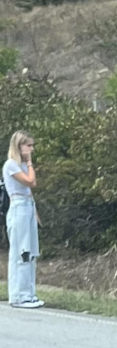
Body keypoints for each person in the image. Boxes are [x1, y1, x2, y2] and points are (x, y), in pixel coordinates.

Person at [3, 131, 43, 309]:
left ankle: (29, 292)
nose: (31, 149)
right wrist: (29, 163)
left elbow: (30, 191)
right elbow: (30, 182)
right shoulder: (11, 165)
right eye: (28, 145)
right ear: (19, 146)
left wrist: (35, 213)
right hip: (18, 207)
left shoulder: (22, 165)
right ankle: (19, 295)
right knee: (21, 251)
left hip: (28, 206)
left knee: (31, 252)